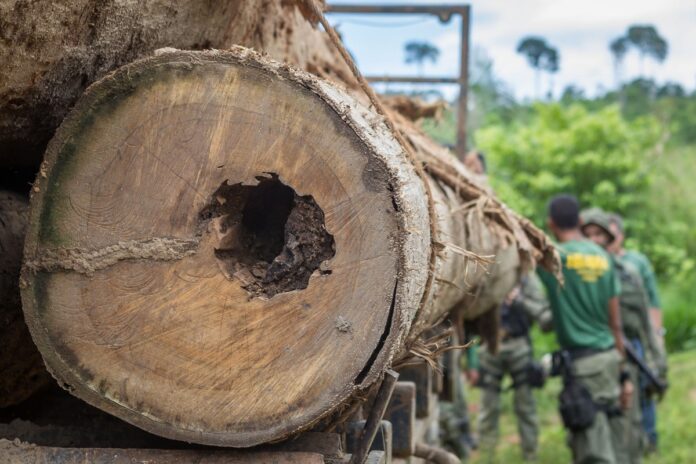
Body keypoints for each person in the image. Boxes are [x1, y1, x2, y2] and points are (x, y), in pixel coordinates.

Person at [537, 195, 632, 464]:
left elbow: (524, 247)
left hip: (582, 367)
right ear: (580, 220)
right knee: (613, 438)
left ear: (551, 223)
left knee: (592, 450)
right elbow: (616, 324)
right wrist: (624, 373)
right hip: (609, 360)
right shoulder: (604, 256)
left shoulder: (553, 259)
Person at [582, 209, 662, 463]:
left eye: (599, 234)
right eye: (588, 234)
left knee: (631, 422)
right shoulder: (578, 275)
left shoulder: (629, 273)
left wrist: (658, 359)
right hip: (593, 356)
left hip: (628, 352)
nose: (594, 240)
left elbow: (645, 322)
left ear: (610, 238)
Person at [469, 274, 553, 462]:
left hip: (519, 346)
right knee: (488, 406)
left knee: (525, 406)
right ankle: (486, 455)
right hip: (490, 346)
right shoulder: (487, 274)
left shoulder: (526, 280)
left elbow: (544, 317)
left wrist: (519, 301)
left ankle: (530, 456)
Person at [606, 213, 666, 454]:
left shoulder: (636, 262)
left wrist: (656, 337)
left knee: (645, 387)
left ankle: (649, 438)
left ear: (621, 235)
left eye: (613, 234)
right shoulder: (600, 262)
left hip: (635, 337)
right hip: (610, 341)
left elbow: (651, 301)